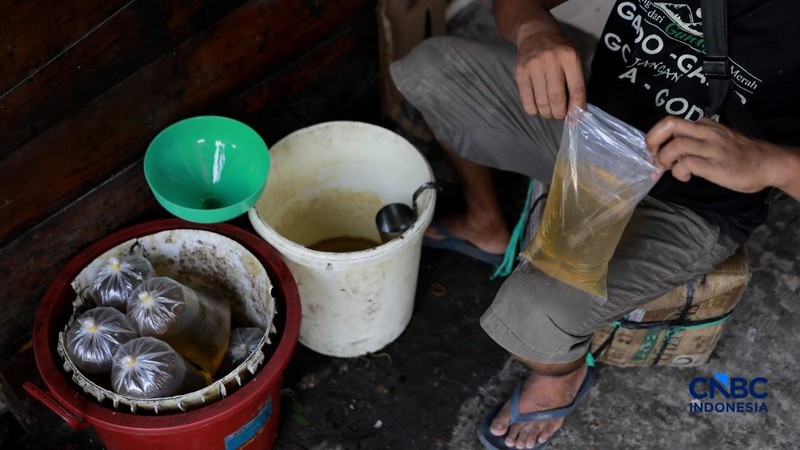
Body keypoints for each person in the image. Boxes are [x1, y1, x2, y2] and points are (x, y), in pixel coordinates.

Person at [390, 0, 800, 448]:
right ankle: (485, 222)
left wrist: (772, 164)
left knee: (531, 317)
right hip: (589, 131)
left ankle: (564, 376)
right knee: (433, 72)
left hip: (694, 201)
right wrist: (533, 31)